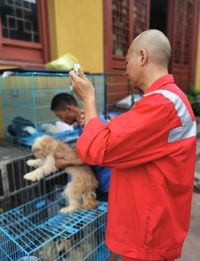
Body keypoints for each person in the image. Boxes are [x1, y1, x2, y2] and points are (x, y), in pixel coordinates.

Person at [69, 29, 196, 261]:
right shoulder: (165, 100)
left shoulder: (163, 104)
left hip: (149, 231)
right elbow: (123, 140)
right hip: (148, 222)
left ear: (143, 57)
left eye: (127, 61)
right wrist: (94, 120)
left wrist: (88, 99)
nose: (125, 68)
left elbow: (100, 149)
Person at [50, 93, 111, 202]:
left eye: (60, 116)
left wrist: (66, 163)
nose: (61, 120)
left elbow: (94, 157)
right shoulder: (80, 126)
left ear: (68, 109)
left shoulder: (93, 122)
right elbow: (85, 150)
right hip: (101, 181)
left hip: (109, 183)